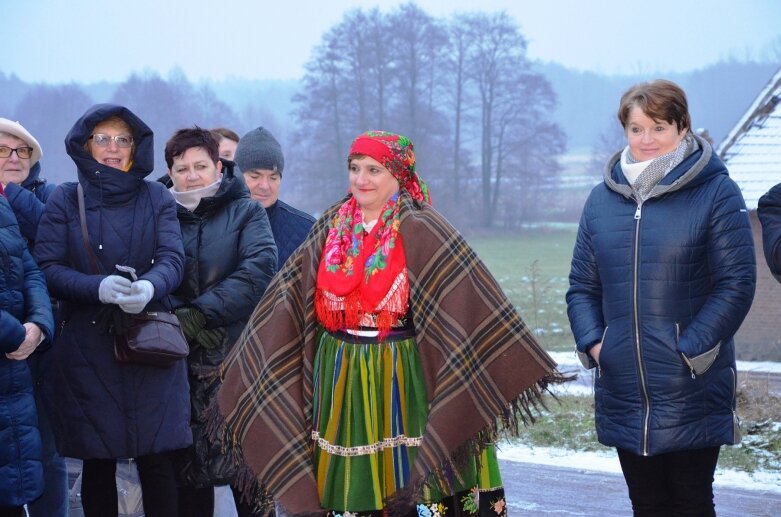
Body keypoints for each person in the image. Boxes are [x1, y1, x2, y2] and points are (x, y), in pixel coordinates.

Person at [210, 130, 564, 516]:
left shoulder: (423, 227)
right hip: (339, 380)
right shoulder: (332, 224)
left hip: (404, 376)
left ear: (397, 173)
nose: (361, 179)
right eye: (355, 168)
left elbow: (468, 305)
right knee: (345, 488)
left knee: (413, 487)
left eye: (374, 170)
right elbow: (288, 300)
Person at [566, 80, 756, 516]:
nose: (646, 140)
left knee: (689, 503)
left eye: (658, 127)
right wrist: (597, 344)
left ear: (682, 127)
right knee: (646, 503)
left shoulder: (716, 192)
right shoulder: (601, 201)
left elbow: (737, 282)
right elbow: (581, 286)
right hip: (623, 385)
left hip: (690, 382)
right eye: (636, 129)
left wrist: (689, 350)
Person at [34, 104, 191, 517]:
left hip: (150, 344)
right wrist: (96, 288)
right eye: (102, 138)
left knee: (157, 459)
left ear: (136, 148)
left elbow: (173, 259)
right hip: (88, 350)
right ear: (85, 145)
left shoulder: (156, 195)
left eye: (123, 139)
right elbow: (48, 269)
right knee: (97, 459)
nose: (113, 147)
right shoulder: (66, 199)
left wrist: (148, 286)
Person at [161, 127, 277, 517]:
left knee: (248, 473)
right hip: (176, 364)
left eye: (200, 166)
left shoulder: (246, 210)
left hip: (236, 361)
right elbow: (150, 270)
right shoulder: (158, 212)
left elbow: (258, 269)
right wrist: (178, 315)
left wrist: (202, 312)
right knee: (189, 477)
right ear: (170, 171)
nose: (192, 175)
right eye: (182, 168)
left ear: (218, 167)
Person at [0, 118, 69, 517]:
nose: (13, 157)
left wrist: (38, 327)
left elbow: (41, 258)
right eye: (3, 150)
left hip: (41, 347)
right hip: (11, 343)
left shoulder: (52, 197)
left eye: (22, 151)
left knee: (45, 453)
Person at [0, 187, 54, 517]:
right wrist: (16, 334)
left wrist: (38, 325)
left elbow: (30, 269)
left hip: (12, 383)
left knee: (13, 496)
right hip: (12, 350)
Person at [234, 126, 315, 266]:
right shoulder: (214, 224)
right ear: (237, 176)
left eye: (273, 177)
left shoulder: (307, 230)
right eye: (255, 176)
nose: (265, 186)